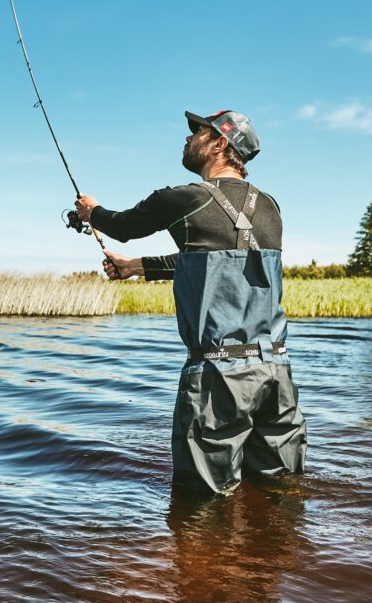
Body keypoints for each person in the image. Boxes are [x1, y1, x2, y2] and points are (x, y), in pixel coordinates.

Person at [74, 109, 307, 496]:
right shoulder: (270, 206)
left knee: (202, 500)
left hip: (218, 375)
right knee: (279, 492)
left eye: (197, 132)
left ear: (219, 143)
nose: (187, 138)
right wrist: (135, 267)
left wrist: (92, 212)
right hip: (276, 372)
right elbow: (211, 258)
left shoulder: (183, 198)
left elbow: (123, 226)